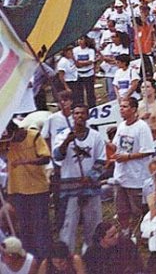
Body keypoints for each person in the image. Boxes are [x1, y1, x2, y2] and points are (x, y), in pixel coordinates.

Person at [53, 104, 106, 252]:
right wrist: (66, 142)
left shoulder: (95, 136)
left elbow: (102, 160)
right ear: (72, 116)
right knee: (69, 224)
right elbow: (57, 157)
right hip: (70, 188)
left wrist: (90, 177)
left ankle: (93, 254)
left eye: (82, 113)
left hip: (90, 187)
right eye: (76, 114)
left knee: (93, 224)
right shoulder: (63, 135)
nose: (79, 116)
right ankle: (66, 256)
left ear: (87, 116)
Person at [5, 117, 52, 260]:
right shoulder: (6, 142)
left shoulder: (33, 135)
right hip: (17, 190)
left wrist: (26, 161)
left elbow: (46, 158)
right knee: (24, 228)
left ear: (18, 130)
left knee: (40, 227)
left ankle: (45, 259)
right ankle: (31, 260)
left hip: (38, 189)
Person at [108, 97, 155, 232]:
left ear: (134, 109)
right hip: (121, 175)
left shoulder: (142, 127)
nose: (121, 109)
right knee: (121, 209)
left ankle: (141, 232)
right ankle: (125, 231)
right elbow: (116, 146)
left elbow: (147, 151)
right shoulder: (122, 126)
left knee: (138, 210)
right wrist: (104, 143)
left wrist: (127, 157)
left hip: (136, 177)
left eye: (125, 107)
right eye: (121, 106)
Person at [72, 37, 97, 106]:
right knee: (79, 93)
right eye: (79, 39)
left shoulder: (90, 50)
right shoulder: (75, 50)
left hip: (89, 74)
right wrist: (83, 63)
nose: (80, 41)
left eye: (81, 39)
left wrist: (81, 63)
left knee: (90, 93)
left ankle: (92, 106)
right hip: (79, 74)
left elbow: (91, 61)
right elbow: (75, 61)